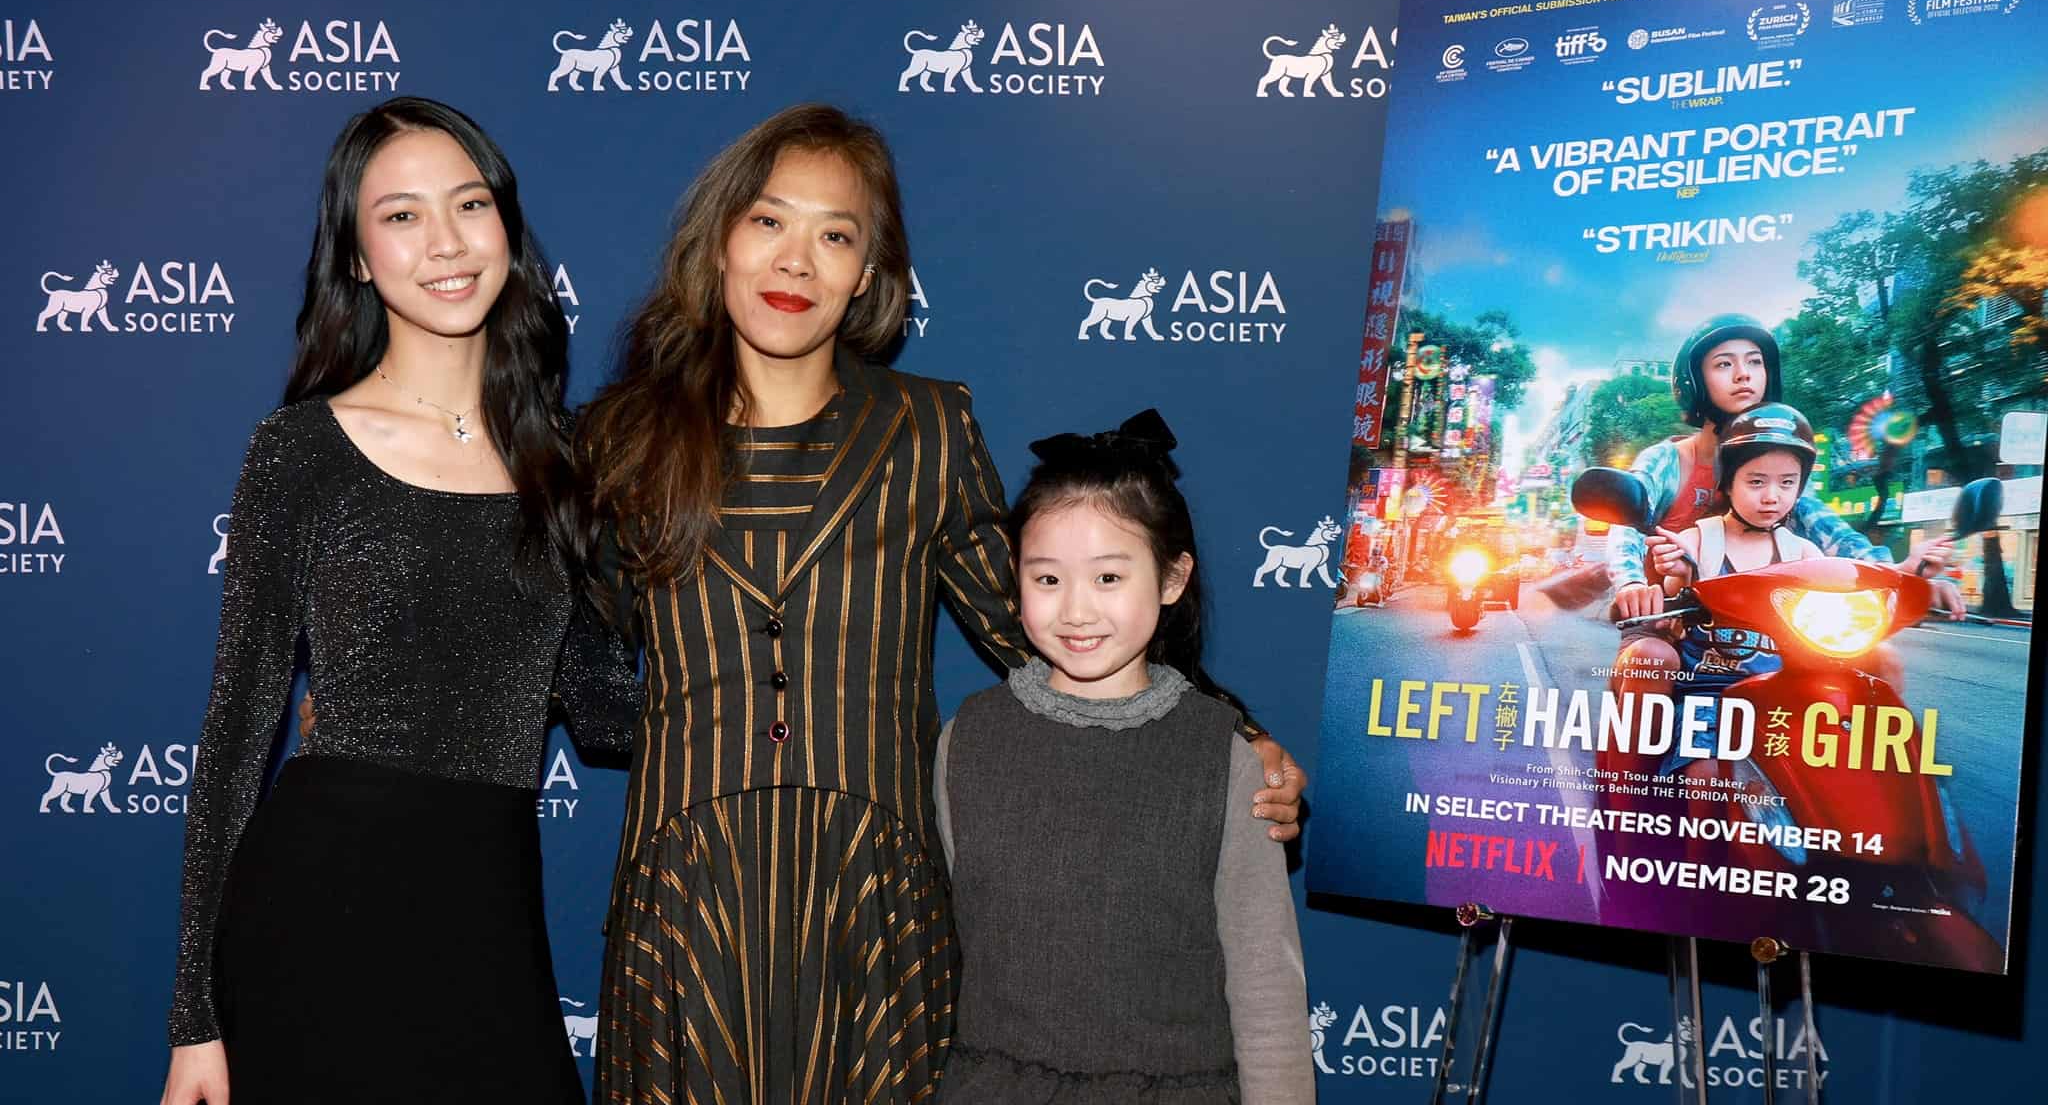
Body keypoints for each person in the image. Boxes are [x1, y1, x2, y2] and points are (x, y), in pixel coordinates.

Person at [572, 103, 1306, 1102]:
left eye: (835, 235)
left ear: (870, 275)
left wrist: (1236, 734)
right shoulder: (617, 439)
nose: (797, 261)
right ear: (717, 244)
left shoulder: (925, 429)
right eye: (768, 222)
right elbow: (566, 642)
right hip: (690, 889)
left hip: (874, 894)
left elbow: (1042, 627)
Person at [160, 97, 637, 1105]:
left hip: (490, 917)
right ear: (356, 258)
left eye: (468, 204)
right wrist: (195, 1024)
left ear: (506, 227)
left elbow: (603, 719)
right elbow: (238, 734)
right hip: (319, 911)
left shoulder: (564, 464)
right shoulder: (299, 452)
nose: (446, 243)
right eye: (401, 216)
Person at [932, 409, 1314, 1103]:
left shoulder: (1227, 760)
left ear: (1171, 580)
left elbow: (1266, 990)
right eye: (1047, 580)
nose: (1076, 610)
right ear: (1015, 580)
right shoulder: (969, 740)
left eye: (1109, 578)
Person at [1603, 314, 1957, 704]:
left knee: (1879, 660)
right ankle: (1628, 765)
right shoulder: (1668, 461)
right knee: (1650, 660)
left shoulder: (1778, 468)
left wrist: (1910, 576)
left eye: (1755, 362)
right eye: (1724, 363)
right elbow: (1626, 529)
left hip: (1765, 625)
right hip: (1665, 618)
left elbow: (1838, 540)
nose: (1744, 375)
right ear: (1694, 381)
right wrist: (1633, 586)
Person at [1646, 403, 1951, 774]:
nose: (1772, 496)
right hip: (1711, 691)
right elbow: (1676, 581)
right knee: (1705, 775)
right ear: (1727, 482)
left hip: (1787, 690)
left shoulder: (1803, 551)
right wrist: (1675, 568)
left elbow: (1854, 580)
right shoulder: (1697, 539)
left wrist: (1912, 572)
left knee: (1845, 767)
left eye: (1787, 482)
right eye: (1756, 482)